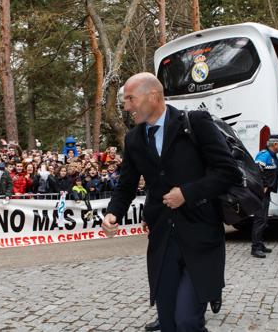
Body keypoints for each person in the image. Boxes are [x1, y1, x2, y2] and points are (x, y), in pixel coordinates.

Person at [101, 72, 240, 332]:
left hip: (200, 234)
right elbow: (126, 185)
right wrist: (113, 214)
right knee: (167, 323)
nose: (127, 107)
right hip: (162, 239)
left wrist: (187, 193)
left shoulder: (195, 123)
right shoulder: (133, 139)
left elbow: (227, 171)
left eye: (130, 99)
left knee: (187, 321)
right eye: (125, 101)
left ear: (153, 96)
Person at [251, 134, 278, 258]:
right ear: (275, 144)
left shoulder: (272, 156)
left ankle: (260, 243)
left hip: (266, 193)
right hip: (260, 194)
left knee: (264, 219)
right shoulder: (264, 155)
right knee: (259, 219)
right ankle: (255, 247)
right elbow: (256, 171)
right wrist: (263, 186)